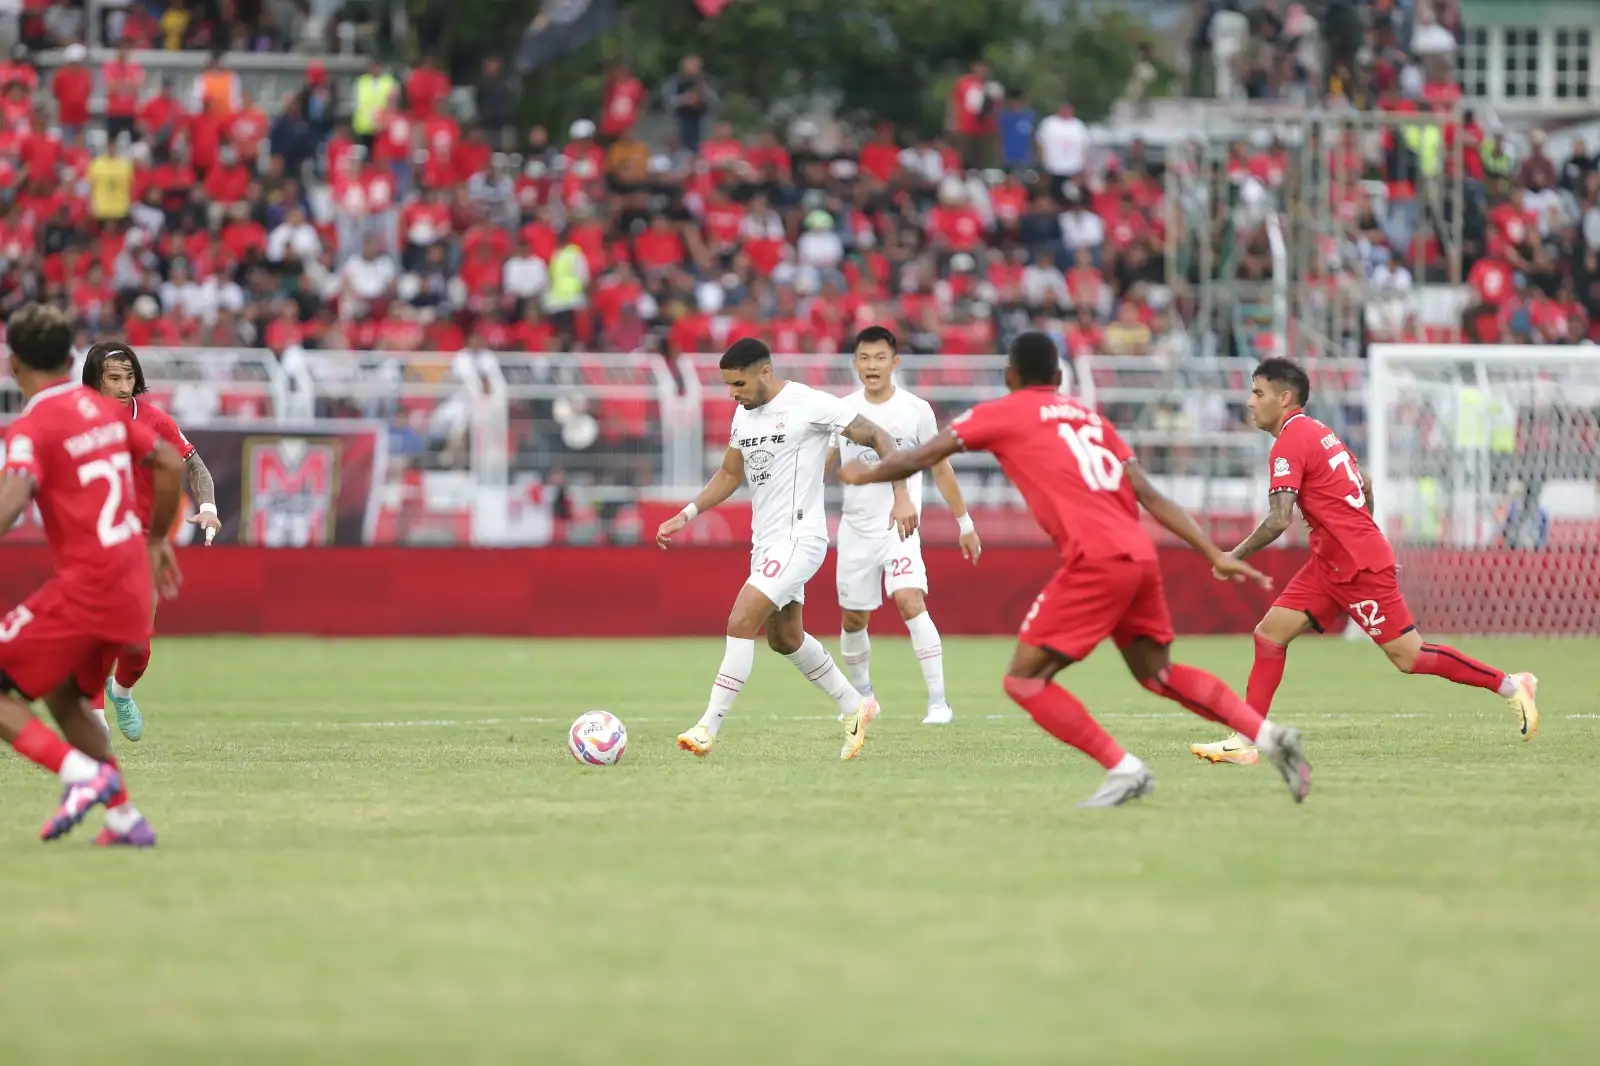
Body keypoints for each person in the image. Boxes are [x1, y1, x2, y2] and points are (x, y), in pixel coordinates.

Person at [838, 332, 1312, 807]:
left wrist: (867, 472)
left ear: (1010, 377)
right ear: (1060, 376)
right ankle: (1268, 735)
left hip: (1096, 561)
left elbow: (924, 454)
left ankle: (1124, 769)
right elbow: (1148, 493)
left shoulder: (1002, 412)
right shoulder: (1091, 420)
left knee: (1023, 680)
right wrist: (1212, 551)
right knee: (1159, 673)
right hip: (1139, 556)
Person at [1190, 358, 1539, 766]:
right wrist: (1363, 535)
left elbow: (1280, 519)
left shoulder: (1289, 443)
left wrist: (1231, 557)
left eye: (1258, 393)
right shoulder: (1321, 432)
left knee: (1410, 656)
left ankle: (1512, 685)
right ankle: (1246, 739)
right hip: (1332, 561)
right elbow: (1365, 485)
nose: (1250, 402)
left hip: (1355, 567)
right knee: (1269, 635)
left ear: (1284, 398)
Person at [657, 338, 914, 760]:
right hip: (765, 543)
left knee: (741, 620)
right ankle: (855, 705)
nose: (733, 394)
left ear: (765, 372)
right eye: (728, 385)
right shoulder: (744, 414)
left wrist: (901, 495)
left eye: (738, 384)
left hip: (800, 539)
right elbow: (730, 473)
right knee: (785, 637)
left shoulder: (809, 403)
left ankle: (707, 727)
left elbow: (879, 436)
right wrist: (687, 513)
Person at [0, 304, 185, 846]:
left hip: (89, 586)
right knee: (63, 696)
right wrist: (156, 540)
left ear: (13, 365)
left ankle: (83, 775)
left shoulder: (32, 425)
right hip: (131, 584)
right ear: (69, 359)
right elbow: (170, 462)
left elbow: (14, 498)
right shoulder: (105, 412)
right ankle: (125, 819)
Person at [831, 326, 981, 725]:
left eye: (880, 358)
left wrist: (964, 522)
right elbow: (823, 462)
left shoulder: (916, 410)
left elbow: (941, 467)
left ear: (894, 363)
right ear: (855, 363)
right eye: (865, 358)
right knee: (853, 618)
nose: (872, 365)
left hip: (900, 527)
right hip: (855, 530)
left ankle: (939, 702)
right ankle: (864, 698)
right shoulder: (841, 410)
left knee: (909, 600)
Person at [81, 342, 222, 742]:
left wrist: (208, 506)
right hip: (94, 538)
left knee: (137, 645)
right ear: (94, 380)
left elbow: (195, 465)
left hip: (144, 541)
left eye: (129, 377)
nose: (124, 386)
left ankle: (121, 692)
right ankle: (94, 714)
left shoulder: (154, 420)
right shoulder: (76, 419)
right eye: (113, 378)